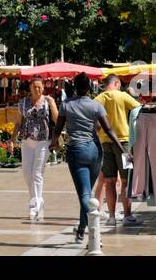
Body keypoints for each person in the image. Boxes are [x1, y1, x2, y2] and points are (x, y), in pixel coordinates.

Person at [50, 72, 124, 242]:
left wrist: (54, 142)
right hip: (95, 151)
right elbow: (108, 129)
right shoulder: (96, 105)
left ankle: (96, 225)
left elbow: (58, 127)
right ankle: (82, 230)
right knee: (88, 194)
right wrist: (122, 149)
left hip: (77, 151)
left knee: (84, 195)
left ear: (75, 88)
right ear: (89, 88)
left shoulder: (66, 105)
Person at [93, 74, 141, 226]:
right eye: (119, 85)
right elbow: (138, 108)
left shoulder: (98, 99)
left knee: (109, 181)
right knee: (126, 180)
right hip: (124, 144)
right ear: (116, 83)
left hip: (105, 143)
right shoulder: (122, 96)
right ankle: (127, 215)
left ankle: (112, 217)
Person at [16, 78, 58, 222]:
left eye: (39, 87)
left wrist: (53, 105)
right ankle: (38, 200)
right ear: (30, 88)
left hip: (42, 141)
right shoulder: (23, 102)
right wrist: (11, 139)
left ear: (43, 88)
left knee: (37, 173)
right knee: (27, 174)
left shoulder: (47, 102)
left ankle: (35, 207)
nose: (37, 89)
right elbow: (18, 122)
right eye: (34, 87)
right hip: (27, 140)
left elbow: (57, 120)